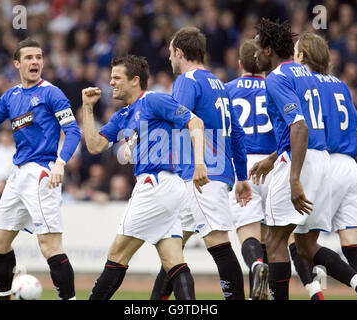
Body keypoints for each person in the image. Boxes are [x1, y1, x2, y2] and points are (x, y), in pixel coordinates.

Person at [250, 18, 357, 300]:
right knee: (307, 247)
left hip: (300, 161)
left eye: (258, 49)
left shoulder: (276, 78)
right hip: (324, 160)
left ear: (270, 50)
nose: (254, 55)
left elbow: (299, 126)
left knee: (274, 242)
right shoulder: (316, 78)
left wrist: (294, 177)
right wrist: (273, 158)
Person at [82, 54, 207, 300]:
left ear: (135, 80)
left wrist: (200, 163)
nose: (112, 83)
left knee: (117, 254)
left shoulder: (154, 100)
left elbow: (196, 122)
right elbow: (95, 145)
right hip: (166, 188)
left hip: (156, 184)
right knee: (173, 260)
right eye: (111, 78)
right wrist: (87, 107)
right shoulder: (123, 115)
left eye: (117, 78)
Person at [0, 38, 81, 300]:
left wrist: (61, 163)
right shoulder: (11, 96)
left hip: (42, 172)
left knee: (50, 246)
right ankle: (4, 297)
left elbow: (73, 131)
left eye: (39, 57)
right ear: (17, 63)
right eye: (29, 58)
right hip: (18, 174)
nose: (35, 62)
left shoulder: (52, 93)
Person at [150, 26, 252, 300]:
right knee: (173, 249)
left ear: (180, 52)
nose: (170, 59)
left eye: (171, 53)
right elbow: (238, 134)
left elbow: (176, 123)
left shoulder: (186, 80)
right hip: (213, 170)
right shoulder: (218, 82)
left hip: (202, 173)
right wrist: (241, 177)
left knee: (218, 244)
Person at [294, 32, 357, 283]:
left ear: (303, 55)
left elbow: (304, 129)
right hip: (350, 166)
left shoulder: (307, 84)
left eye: (296, 51)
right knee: (353, 245)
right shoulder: (340, 84)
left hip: (325, 164)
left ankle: (317, 291)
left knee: (301, 242)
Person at [225, 39, 273, 300]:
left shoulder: (227, 89)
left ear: (240, 63)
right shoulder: (275, 87)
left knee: (248, 235)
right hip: (274, 164)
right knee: (272, 240)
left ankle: (256, 267)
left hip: (243, 166)